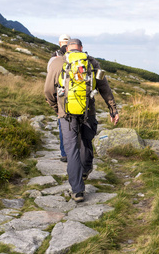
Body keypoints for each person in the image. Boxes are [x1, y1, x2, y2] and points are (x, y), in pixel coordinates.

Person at [44, 38, 119, 202]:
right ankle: (85, 171)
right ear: (82, 48)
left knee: (71, 150)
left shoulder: (57, 63)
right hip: (88, 112)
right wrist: (112, 108)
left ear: (66, 49)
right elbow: (104, 87)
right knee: (86, 142)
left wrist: (57, 108)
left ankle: (77, 190)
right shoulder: (92, 63)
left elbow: (48, 91)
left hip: (66, 114)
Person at [47, 34, 71, 162]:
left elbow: (50, 79)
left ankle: (64, 153)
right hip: (77, 95)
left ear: (59, 43)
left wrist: (54, 106)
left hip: (60, 95)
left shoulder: (54, 58)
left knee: (63, 123)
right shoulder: (77, 56)